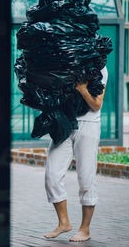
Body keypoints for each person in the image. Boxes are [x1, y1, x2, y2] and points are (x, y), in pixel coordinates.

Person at [43, 66, 108, 242]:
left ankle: (85, 229)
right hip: (63, 122)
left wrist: (82, 89)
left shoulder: (99, 68)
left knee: (86, 179)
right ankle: (63, 223)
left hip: (88, 124)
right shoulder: (63, 60)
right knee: (52, 175)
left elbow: (96, 104)